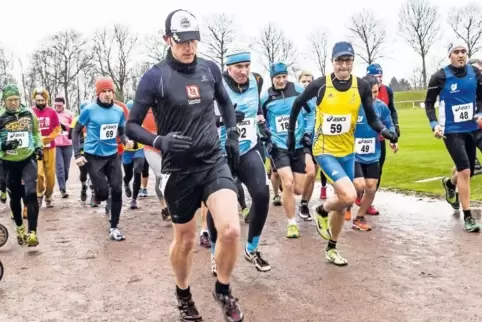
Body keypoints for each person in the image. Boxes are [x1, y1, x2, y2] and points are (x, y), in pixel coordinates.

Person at [126, 9, 243, 322]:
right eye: (182, 41)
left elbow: (226, 104)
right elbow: (131, 126)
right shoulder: (155, 77)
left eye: (193, 40)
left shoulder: (210, 69)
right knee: (187, 240)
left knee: (231, 230)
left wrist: (231, 134)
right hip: (178, 169)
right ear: (167, 39)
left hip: (212, 161)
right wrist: (160, 141)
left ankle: (223, 288)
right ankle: (183, 294)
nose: (189, 47)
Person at [288, 41, 397, 266]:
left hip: (348, 150)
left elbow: (372, 117)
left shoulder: (362, 87)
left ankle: (332, 248)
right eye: (339, 61)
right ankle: (321, 209)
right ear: (332, 62)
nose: (343, 65)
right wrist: (292, 136)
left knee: (353, 193)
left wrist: (385, 131)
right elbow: (297, 104)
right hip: (325, 150)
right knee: (347, 196)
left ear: (352, 62)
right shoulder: (320, 86)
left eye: (347, 61)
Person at [211, 51, 271, 272]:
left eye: (247, 65)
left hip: (247, 148)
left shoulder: (255, 81)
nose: (244, 71)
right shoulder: (217, 84)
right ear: (228, 67)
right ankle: (215, 254)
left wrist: (262, 123)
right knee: (218, 205)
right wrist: (222, 120)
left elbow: (256, 110)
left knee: (262, 194)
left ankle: (252, 248)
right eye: (239, 67)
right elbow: (201, 115)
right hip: (220, 152)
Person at [424, 42, 482, 232]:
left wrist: (480, 113)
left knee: (468, 170)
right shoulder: (440, 76)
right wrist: (434, 124)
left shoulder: (475, 73)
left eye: (463, 51)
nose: (460, 55)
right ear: (450, 55)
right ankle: (468, 217)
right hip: (451, 130)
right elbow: (429, 103)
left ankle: (449, 184)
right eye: (456, 52)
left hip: (471, 128)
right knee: (465, 171)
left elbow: (481, 97)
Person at [261, 62, 315, 238]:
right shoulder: (265, 98)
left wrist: (307, 133)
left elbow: (311, 114)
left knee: (298, 189)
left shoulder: (299, 91)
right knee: (288, 183)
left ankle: (290, 198)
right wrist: (267, 140)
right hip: (279, 146)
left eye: (284, 76)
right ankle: (292, 223)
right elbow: (260, 121)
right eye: (278, 78)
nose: (282, 80)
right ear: (272, 79)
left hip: (298, 145)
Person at [72, 77, 127, 241]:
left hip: (112, 155)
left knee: (117, 189)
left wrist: (125, 140)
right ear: (98, 93)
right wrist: (77, 154)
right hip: (93, 155)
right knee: (103, 193)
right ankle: (97, 192)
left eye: (110, 91)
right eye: (104, 91)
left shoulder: (119, 111)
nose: (108, 94)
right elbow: (75, 131)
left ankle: (114, 227)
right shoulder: (89, 110)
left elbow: (121, 130)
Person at [349, 75, 398, 230]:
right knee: (359, 185)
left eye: (376, 92)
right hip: (354, 153)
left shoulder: (381, 107)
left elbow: (389, 125)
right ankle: (346, 201)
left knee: (371, 187)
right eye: (370, 92)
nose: (374, 96)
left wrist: (393, 139)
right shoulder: (353, 106)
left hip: (373, 153)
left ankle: (359, 217)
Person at [0, 84, 43, 246]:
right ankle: (19, 228)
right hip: (8, 163)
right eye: (10, 100)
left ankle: (32, 232)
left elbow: (35, 133)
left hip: (27, 159)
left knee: (31, 194)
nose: (13, 103)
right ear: (4, 101)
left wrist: (39, 147)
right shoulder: (1, 116)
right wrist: (3, 146)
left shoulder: (29, 113)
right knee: (15, 197)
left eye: (16, 100)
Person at [361, 63, 400, 215]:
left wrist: (394, 134)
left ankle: (368, 202)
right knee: (358, 180)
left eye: (380, 76)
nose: (379, 79)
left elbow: (391, 113)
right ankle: (351, 200)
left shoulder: (387, 93)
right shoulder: (360, 95)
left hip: (378, 139)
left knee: (376, 175)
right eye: (376, 76)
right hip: (358, 143)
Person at [296, 70, 325, 221]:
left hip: (318, 140)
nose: (307, 84)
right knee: (308, 174)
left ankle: (304, 203)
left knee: (313, 175)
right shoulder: (296, 99)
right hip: (301, 141)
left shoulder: (320, 98)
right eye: (303, 81)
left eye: (309, 81)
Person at [141, 104, 171, 221]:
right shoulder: (143, 108)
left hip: (167, 147)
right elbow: (132, 124)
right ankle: (165, 207)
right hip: (150, 148)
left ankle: (168, 206)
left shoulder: (169, 104)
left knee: (168, 176)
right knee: (160, 174)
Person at [32, 88, 60, 208]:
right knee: (38, 173)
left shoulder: (52, 112)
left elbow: (57, 129)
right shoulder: (31, 112)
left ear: (46, 99)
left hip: (50, 147)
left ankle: (48, 195)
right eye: (38, 100)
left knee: (50, 175)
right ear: (35, 100)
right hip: (36, 148)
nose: (40, 102)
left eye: (42, 100)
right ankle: (39, 194)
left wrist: (45, 140)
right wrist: (38, 142)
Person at [123, 100, 145, 209]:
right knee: (128, 175)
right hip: (126, 152)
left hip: (139, 150)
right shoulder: (122, 121)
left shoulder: (141, 120)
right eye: (130, 110)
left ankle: (134, 200)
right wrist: (125, 141)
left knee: (137, 171)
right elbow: (120, 134)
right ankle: (126, 183)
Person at [69, 101, 90, 201]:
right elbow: (71, 135)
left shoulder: (93, 117)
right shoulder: (76, 120)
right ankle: (83, 186)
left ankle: (94, 192)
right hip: (81, 147)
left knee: (94, 170)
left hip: (92, 147)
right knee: (83, 170)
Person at [54, 96, 73, 198]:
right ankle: (62, 189)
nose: (58, 107)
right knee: (59, 167)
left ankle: (63, 182)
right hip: (56, 144)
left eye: (60, 106)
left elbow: (74, 128)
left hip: (68, 144)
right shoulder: (52, 114)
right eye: (56, 105)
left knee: (66, 169)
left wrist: (64, 125)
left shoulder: (69, 114)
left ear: (63, 105)